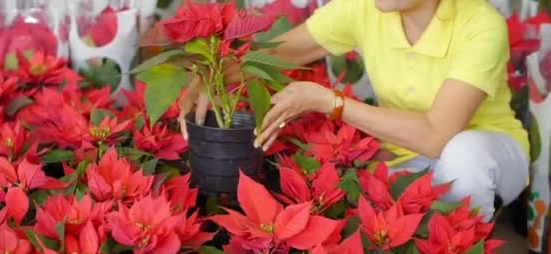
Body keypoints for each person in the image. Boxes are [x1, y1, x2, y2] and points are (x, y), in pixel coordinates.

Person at [178, 0, 530, 221]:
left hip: (491, 156)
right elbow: (284, 52)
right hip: (405, 154)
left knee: (463, 154)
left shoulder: (481, 24)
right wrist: (212, 72)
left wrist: (331, 104)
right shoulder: (366, 8)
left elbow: (438, 135)